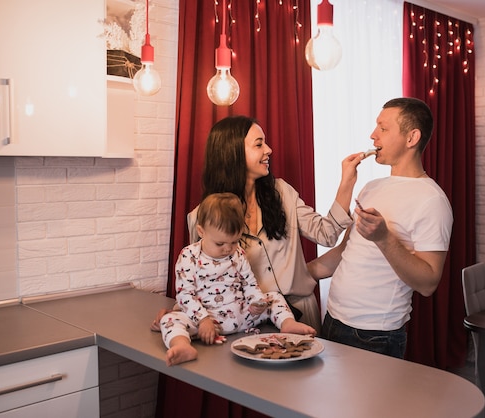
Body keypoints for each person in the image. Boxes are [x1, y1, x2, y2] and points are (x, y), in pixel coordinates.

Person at [153, 115, 360, 334]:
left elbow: (326, 234)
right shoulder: (202, 216)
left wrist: (347, 181)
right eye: (259, 144)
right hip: (247, 321)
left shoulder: (282, 193)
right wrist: (176, 314)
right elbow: (202, 279)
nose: (269, 149)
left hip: (297, 314)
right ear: (233, 153)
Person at [307, 97, 454, 359]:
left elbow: (429, 282)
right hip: (332, 321)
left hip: (375, 336)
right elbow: (344, 252)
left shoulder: (432, 200)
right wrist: (294, 277)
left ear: (412, 138)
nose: (372, 135)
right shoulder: (371, 187)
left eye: (383, 129)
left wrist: (384, 238)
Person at [159, 192, 316, 366]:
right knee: (169, 320)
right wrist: (203, 320)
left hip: (240, 315)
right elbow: (185, 296)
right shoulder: (189, 256)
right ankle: (182, 346)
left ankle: (288, 323)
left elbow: (249, 283)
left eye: (234, 242)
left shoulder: (238, 253)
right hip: (208, 321)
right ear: (201, 231)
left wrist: (257, 302)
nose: (228, 249)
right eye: (220, 244)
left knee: (274, 297)